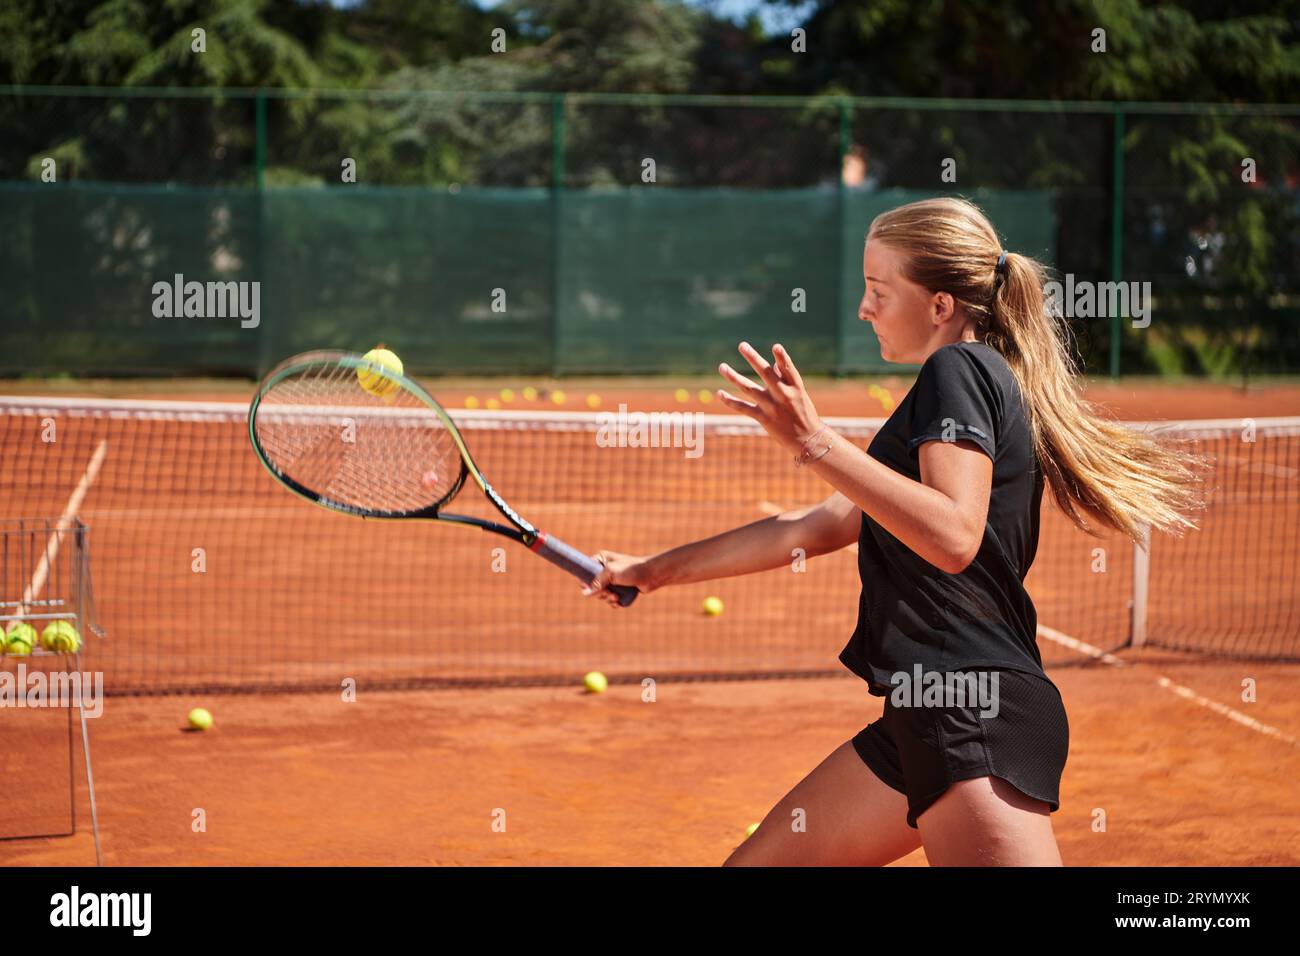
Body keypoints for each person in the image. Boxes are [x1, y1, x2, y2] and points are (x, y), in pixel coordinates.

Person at [585, 196, 1202, 866]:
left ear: (941, 306)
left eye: (879, 290)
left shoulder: (957, 370)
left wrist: (815, 441)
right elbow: (821, 525)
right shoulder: (957, 386)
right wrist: (653, 569)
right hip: (927, 711)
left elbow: (954, 534)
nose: (864, 308)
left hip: (970, 712)